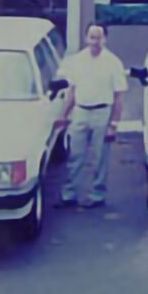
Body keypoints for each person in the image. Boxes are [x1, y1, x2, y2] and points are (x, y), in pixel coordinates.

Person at [55, 23, 128, 208]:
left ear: (105, 39)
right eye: (92, 37)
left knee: (100, 158)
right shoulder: (77, 61)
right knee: (75, 156)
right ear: (86, 38)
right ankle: (69, 195)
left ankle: (97, 195)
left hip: (102, 113)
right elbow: (72, 91)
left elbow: (119, 96)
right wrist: (64, 115)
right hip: (80, 111)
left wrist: (114, 124)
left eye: (99, 37)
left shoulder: (113, 63)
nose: (95, 41)